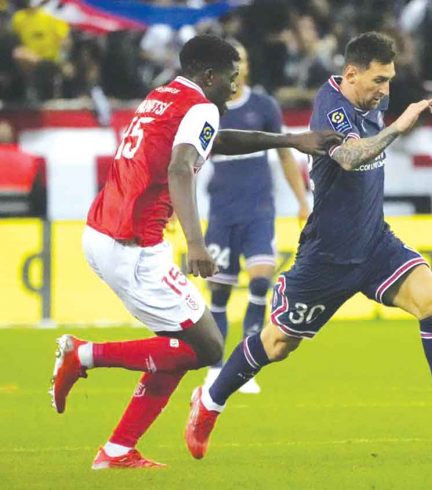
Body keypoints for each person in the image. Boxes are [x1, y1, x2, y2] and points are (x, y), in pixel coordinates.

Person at [184, 31, 432, 460]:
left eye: (390, 81)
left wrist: (393, 112)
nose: (385, 91)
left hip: (375, 244)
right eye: (379, 81)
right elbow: (348, 158)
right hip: (327, 256)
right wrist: (401, 126)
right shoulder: (330, 107)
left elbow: (374, 129)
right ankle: (210, 401)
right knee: (277, 344)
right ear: (351, 74)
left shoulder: (373, 100)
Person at [49, 35, 341, 470]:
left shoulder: (164, 96)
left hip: (103, 232)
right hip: (135, 246)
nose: (233, 88)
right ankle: (84, 354)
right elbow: (181, 166)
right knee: (206, 346)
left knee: (180, 345)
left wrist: (289, 140)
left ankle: (117, 451)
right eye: (230, 78)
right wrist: (196, 241)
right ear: (209, 75)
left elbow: (215, 142)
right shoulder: (201, 106)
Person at [202, 41, 311, 395]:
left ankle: (243, 366)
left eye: (243, 59)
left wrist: (302, 199)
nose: (239, 67)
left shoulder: (263, 105)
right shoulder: (207, 110)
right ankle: (216, 367)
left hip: (258, 209)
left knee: (262, 279)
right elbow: (185, 162)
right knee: (219, 290)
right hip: (221, 210)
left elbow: (284, 154)